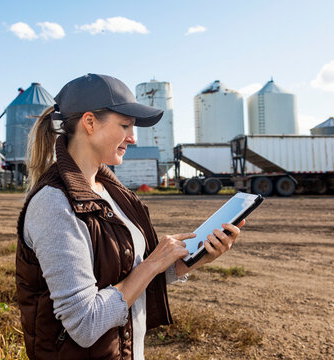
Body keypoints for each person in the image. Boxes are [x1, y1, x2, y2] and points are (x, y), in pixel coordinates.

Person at [16, 74, 245, 360]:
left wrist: (194, 259)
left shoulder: (111, 191)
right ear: (89, 122)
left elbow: (126, 276)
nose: (132, 138)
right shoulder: (54, 203)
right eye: (124, 125)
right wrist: (152, 265)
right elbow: (85, 324)